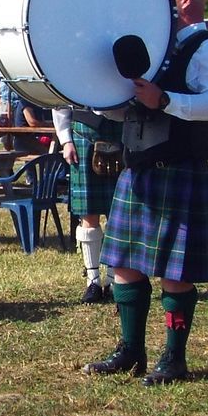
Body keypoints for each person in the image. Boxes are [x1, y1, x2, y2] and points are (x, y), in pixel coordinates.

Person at [84, 0, 208, 384]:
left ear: (186, 0)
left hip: (180, 168)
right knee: (123, 265)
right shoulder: (154, 46)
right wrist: (102, 101)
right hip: (138, 169)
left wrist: (164, 99)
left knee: (176, 271)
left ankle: (174, 358)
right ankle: (130, 351)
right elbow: (129, 108)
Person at [52, 102, 125, 304]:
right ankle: (93, 282)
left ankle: (113, 281)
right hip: (84, 138)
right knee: (88, 214)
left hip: (121, 134)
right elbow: (60, 103)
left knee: (117, 216)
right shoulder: (74, 71)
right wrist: (66, 141)